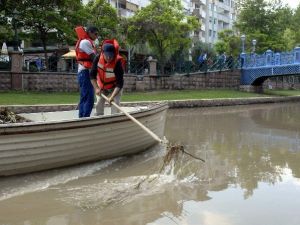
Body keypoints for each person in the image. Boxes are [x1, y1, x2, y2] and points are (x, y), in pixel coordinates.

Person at [90, 39, 125, 116]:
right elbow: (92, 75)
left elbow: (120, 83)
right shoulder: (97, 58)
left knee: (115, 104)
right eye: (107, 55)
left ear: (114, 54)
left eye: (111, 56)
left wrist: (112, 97)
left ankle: (114, 120)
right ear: (103, 53)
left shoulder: (118, 63)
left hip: (115, 87)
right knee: (98, 104)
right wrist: (96, 88)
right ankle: (99, 120)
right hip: (102, 86)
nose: (109, 58)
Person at [75, 26, 98, 118]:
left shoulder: (87, 42)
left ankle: (82, 118)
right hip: (85, 73)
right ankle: (85, 119)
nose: (97, 36)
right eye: (95, 34)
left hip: (84, 73)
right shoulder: (85, 42)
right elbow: (94, 58)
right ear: (89, 32)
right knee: (89, 98)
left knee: (84, 97)